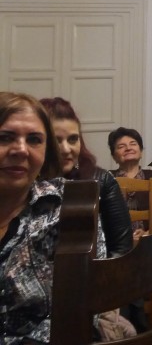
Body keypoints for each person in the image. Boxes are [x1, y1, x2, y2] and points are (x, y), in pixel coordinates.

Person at [0, 92, 71, 343]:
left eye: (34, 140)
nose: (21, 149)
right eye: (5, 137)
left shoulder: (67, 208)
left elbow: (83, 307)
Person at [40, 96, 133, 258]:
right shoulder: (24, 184)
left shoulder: (101, 180)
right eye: (55, 140)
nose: (66, 149)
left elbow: (121, 250)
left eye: (73, 139)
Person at [108, 126, 152, 238]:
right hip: (115, 241)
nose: (128, 148)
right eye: (121, 146)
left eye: (133, 144)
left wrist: (148, 233)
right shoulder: (107, 179)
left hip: (150, 241)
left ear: (141, 152)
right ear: (114, 156)